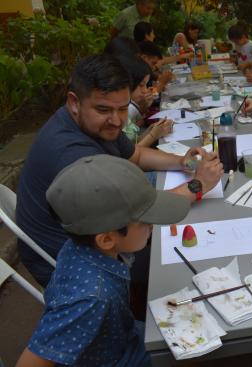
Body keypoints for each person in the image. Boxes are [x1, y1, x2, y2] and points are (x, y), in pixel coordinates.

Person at [16, 54, 223, 287]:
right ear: (75, 102)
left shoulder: (94, 125)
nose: (116, 121)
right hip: (72, 263)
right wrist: (198, 186)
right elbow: (134, 215)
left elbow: (136, 155)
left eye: (123, 109)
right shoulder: (73, 155)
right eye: (103, 109)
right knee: (179, 271)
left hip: (101, 229)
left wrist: (182, 162)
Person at [16, 154, 191, 366]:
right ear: (107, 239)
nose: (153, 225)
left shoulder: (80, 245)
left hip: (124, 333)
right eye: (145, 222)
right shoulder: (90, 299)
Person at [116, 54, 172, 147]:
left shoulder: (129, 106)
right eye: (141, 85)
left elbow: (134, 140)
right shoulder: (123, 110)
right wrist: (153, 135)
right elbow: (132, 154)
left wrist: (151, 130)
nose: (145, 90)